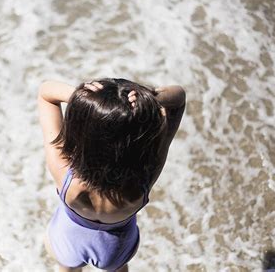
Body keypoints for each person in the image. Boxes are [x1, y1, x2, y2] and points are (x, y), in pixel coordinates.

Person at [37, 78, 186, 272]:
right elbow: (178, 98)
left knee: (66, 267)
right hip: (115, 248)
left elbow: (46, 93)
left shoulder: (64, 171)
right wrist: (151, 97)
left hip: (67, 239)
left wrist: (81, 98)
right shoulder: (146, 174)